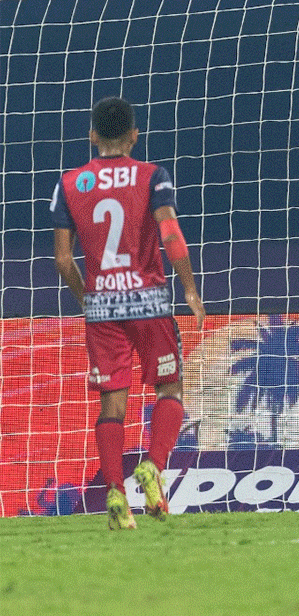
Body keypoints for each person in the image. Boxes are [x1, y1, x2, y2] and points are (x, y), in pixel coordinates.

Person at [50, 97, 206, 530]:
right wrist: (190, 290)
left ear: (92, 135)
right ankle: (152, 468)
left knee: (111, 403)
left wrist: (89, 300)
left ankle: (116, 495)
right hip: (150, 302)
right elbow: (170, 231)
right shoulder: (153, 176)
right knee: (169, 387)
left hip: (103, 306)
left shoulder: (69, 184)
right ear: (134, 135)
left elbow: (63, 262)